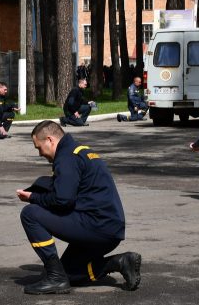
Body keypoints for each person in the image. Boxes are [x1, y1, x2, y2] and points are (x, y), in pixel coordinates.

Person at [15, 120, 141, 295]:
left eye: (39, 148)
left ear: (50, 140)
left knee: (30, 214)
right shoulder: (81, 151)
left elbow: (63, 201)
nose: (40, 154)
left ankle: (55, 278)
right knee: (69, 273)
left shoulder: (66, 157)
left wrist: (33, 197)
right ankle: (119, 262)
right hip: (109, 228)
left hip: (96, 226)